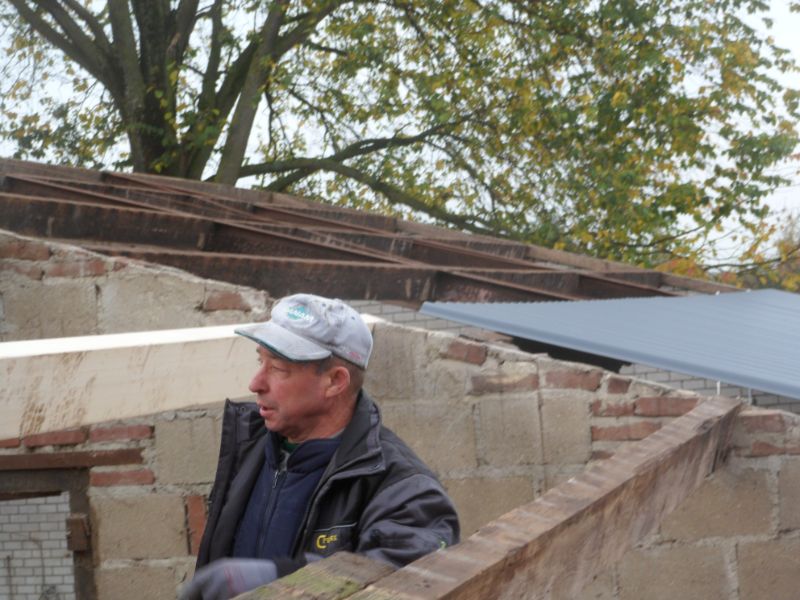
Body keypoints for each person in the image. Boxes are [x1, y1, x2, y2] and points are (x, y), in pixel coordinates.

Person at [181, 293, 460, 600]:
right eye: (260, 361)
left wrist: (280, 577)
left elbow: (407, 578)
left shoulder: (403, 487)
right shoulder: (251, 445)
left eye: (278, 368)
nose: (255, 383)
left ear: (335, 382)